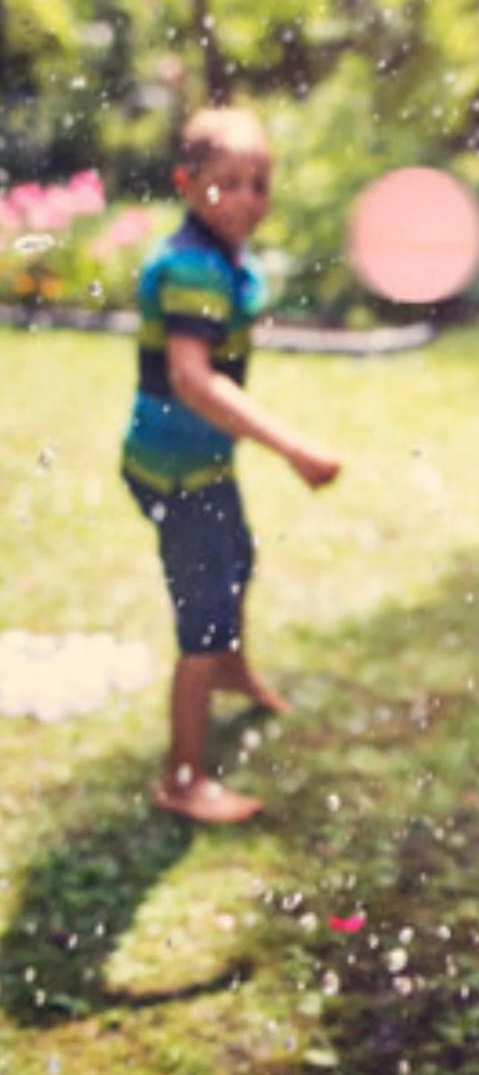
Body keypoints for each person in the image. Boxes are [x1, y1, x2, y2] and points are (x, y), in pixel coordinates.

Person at [121, 106, 341, 825]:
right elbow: (192, 378)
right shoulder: (191, 267)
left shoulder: (214, 255)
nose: (247, 198)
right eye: (227, 183)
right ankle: (182, 777)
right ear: (186, 183)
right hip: (176, 470)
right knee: (205, 612)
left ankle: (233, 670)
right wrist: (293, 447)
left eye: (259, 182)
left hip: (198, 463)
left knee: (238, 558)